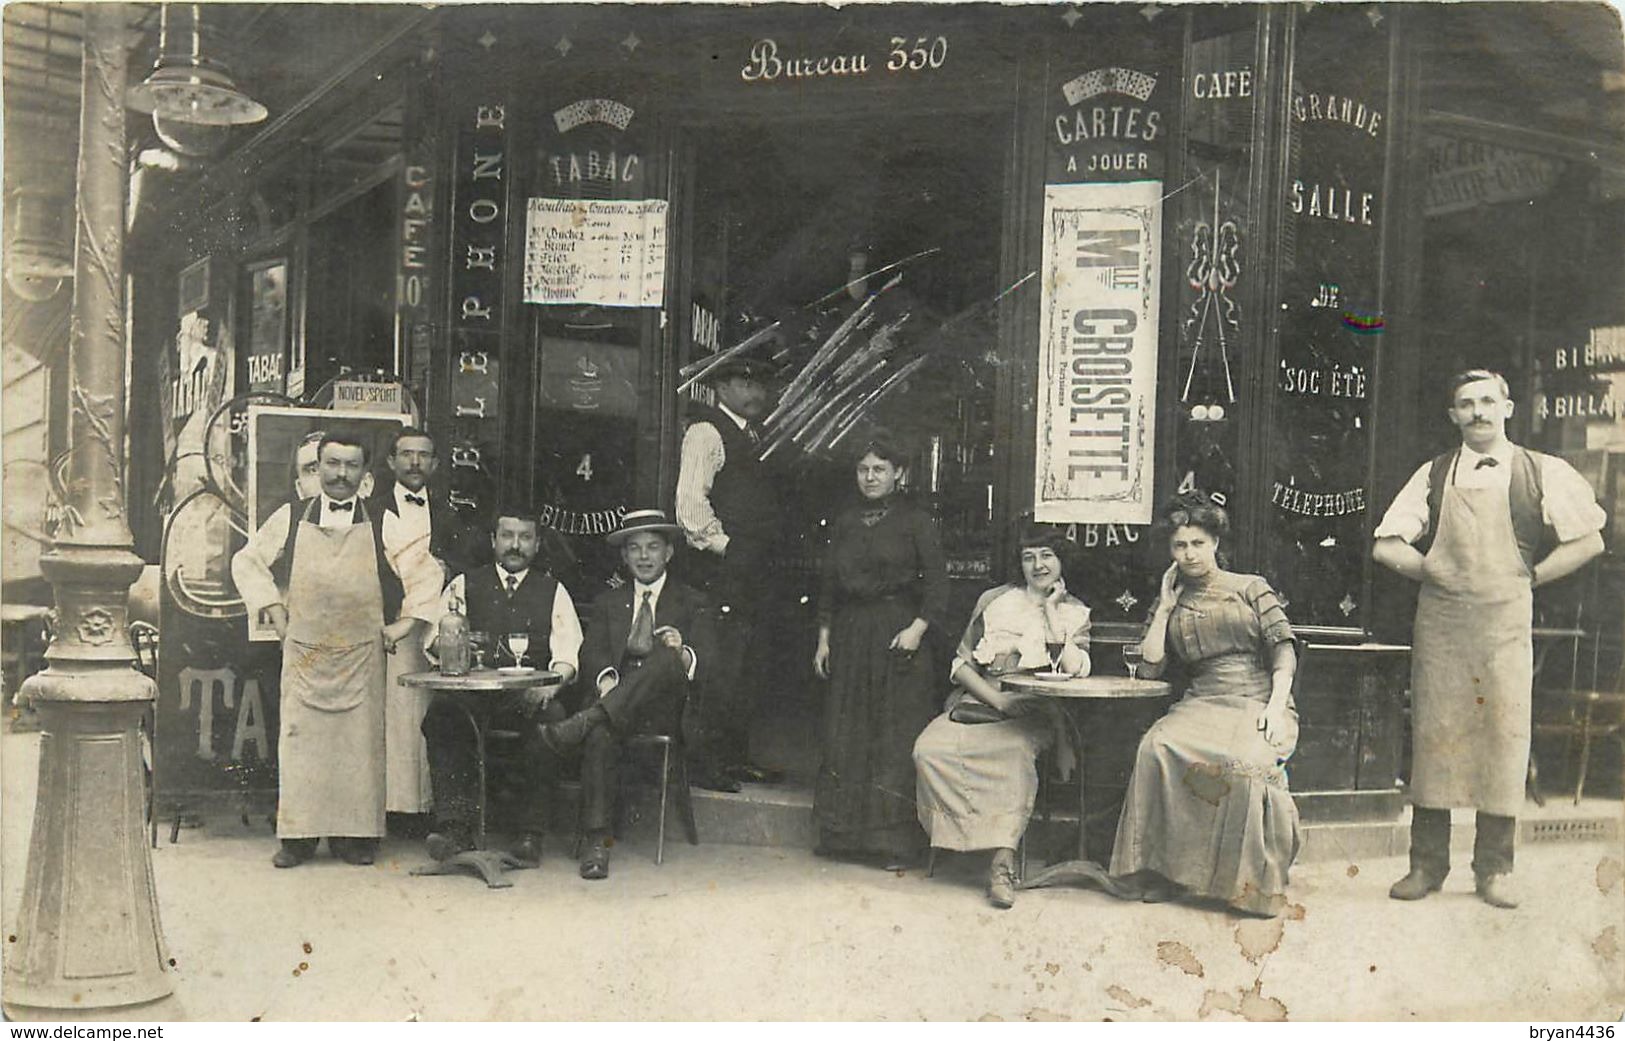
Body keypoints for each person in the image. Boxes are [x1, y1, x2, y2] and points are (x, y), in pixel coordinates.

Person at [1373, 369, 1604, 909]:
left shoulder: (1540, 471)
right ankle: (1426, 865)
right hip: (1443, 626)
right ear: (1452, 415)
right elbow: (1387, 545)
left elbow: (1588, 540)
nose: (1477, 412)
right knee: (1437, 735)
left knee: (1503, 733)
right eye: (1465, 404)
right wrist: (1432, 570)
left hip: (1504, 624)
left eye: (1486, 401)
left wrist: (1532, 576)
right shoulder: (1432, 474)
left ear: (1508, 407)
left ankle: (1495, 868)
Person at [231, 431, 442, 868]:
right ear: (317, 468)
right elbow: (246, 562)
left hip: (361, 655)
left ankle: (356, 837)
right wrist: (273, 607)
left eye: (350, 466)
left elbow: (425, 572)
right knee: (302, 747)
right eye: (331, 464)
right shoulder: (290, 517)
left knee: (358, 751)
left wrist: (404, 625)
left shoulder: (383, 520)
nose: (340, 474)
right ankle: (298, 839)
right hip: (305, 652)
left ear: (365, 474)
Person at [1108, 495, 1301, 918]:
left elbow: (1284, 650)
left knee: (1243, 763)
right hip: (1203, 701)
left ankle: (1248, 886)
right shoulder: (1171, 598)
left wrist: (1275, 704)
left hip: (1256, 699)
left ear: (1214, 541)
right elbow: (1152, 666)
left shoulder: (1251, 587)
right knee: (1156, 747)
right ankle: (1165, 872)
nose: (1189, 554)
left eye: (1197, 543)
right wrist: (1164, 606)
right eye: (1179, 546)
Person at [912, 526, 1092, 909]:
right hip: (981, 702)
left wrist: (1049, 610)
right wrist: (997, 700)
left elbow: (1073, 669)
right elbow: (960, 665)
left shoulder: (1074, 612)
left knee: (1010, 759)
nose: (1038, 565)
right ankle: (964, 842)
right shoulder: (994, 600)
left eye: (1047, 556)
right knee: (929, 749)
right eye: (1029, 557)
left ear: (1061, 561)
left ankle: (1001, 863)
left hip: (1031, 710)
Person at [536, 508, 717, 880]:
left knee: (667, 656)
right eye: (635, 549)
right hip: (616, 701)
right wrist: (606, 683)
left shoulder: (692, 600)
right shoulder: (607, 602)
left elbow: (711, 663)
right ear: (624, 556)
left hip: (664, 711)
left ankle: (587, 719)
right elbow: (593, 654)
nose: (644, 556)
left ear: (669, 553)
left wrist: (683, 652)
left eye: (653, 547)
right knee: (603, 732)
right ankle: (597, 843)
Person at [811, 439, 947, 868]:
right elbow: (829, 584)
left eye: (879, 469)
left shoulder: (916, 521)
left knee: (892, 735)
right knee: (848, 731)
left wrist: (917, 629)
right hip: (851, 636)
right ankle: (843, 838)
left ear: (899, 473)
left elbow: (939, 585)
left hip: (898, 635)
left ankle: (893, 844)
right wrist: (824, 637)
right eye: (863, 469)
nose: (870, 477)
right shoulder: (846, 521)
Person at [421, 507, 582, 866]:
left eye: (525, 538)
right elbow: (432, 638)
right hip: (473, 694)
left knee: (550, 719)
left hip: (526, 696)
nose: (515, 545)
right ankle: (454, 827)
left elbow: (567, 653)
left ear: (537, 545)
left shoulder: (553, 591)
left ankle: (529, 833)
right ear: (493, 540)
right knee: (442, 715)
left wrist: (550, 687)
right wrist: (451, 644)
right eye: (507, 536)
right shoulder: (464, 584)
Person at [676, 351, 785, 791]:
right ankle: (704, 764)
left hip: (751, 573)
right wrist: (728, 547)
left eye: (761, 384)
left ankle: (734, 756)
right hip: (718, 572)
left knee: (747, 666)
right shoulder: (706, 433)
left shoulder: (756, 436)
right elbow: (690, 506)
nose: (756, 392)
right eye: (745, 382)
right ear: (720, 387)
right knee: (717, 666)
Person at [368, 427, 479, 828]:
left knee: (423, 717)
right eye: (407, 454)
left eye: (423, 456)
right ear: (391, 462)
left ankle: (424, 811)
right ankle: (387, 809)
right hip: (387, 627)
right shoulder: (371, 509)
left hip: (432, 630)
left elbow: (461, 566)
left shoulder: (450, 515)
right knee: (388, 718)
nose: (415, 463)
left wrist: (444, 571)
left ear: (434, 464)